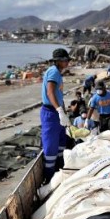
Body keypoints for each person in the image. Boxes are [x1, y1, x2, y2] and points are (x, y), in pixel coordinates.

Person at [40, 48, 72, 183]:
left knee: (61, 143)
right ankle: (49, 178)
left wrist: (64, 112)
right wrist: (59, 110)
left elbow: (59, 95)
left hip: (57, 111)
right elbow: (50, 93)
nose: (68, 63)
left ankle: (59, 170)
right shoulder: (53, 72)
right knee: (51, 146)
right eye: (65, 60)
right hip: (50, 112)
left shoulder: (58, 73)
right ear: (59, 61)